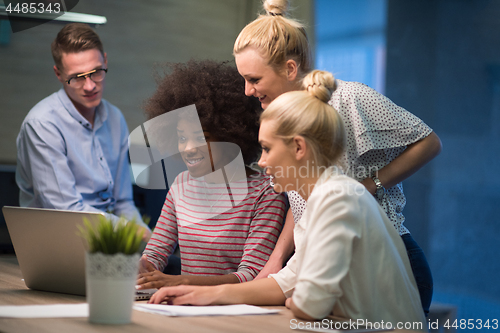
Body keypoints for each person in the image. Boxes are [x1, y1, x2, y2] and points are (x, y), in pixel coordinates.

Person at [148, 70, 427, 330]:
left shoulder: (338, 200)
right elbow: (284, 283)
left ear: (298, 147)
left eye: (267, 149)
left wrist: (299, 300)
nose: (262, 161)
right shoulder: (320, 202)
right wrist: (200, 295)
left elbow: (308, 303)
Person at [232, 0, 442, 316]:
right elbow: (303, 198)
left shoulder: (349, 98)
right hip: (326, 263)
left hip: (384, 265)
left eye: (254, 79)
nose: (248, 91)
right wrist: (277, 259)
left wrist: (369, 184)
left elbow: (429, 142)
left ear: (290, 68)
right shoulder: (286, 117)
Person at [136, 60, 286, 288]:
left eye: (202, 137)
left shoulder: (266, 193)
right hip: (185, 306)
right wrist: (138, 268)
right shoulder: (181, 185)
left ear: (231, 135)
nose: (188, 148)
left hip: (238, 310)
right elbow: (155, 254)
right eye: (182, 138)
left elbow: (251, 275)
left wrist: (181, 282)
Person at [15, 23, 151, 237]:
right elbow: (67, 212)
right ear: (58, 74)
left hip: (109, 239)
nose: (89, 86)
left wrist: (151, 243)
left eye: (96, 72)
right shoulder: (42, 124)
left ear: (105, 61)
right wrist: (134, 233)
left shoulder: (115, 118)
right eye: (77, 77)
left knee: (170, 263)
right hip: (58, 240)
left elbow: (123, 202)